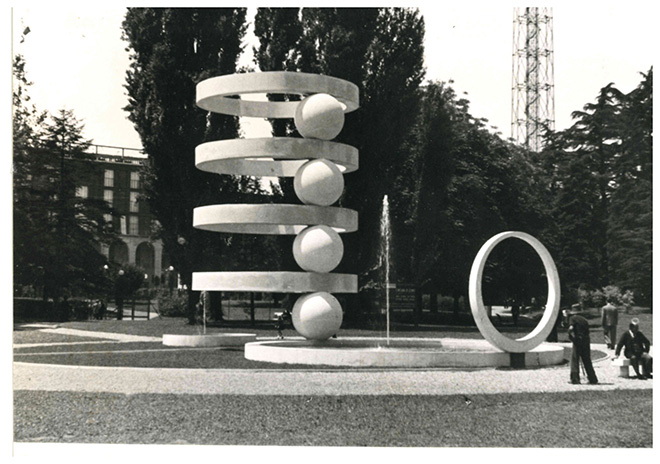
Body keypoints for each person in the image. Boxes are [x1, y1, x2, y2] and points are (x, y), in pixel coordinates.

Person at [568, 313, 598, 384]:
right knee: (587, 359)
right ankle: (592, 378)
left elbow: (571, 328)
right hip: (586, 339)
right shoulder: (584, 319)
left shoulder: (572, 318)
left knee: (575, 359)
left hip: (578, 339)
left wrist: (570, 335)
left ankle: (575, 378)